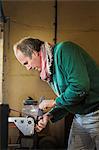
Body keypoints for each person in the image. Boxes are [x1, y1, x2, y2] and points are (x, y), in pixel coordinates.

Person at [13, 37, 99, 150]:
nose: (28, 68)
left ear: (34, 53)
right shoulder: (49, 69)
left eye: (26, 63)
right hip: (80, 116)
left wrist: (54, 102)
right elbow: (69, 99)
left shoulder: (64, 50)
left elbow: (80, 87)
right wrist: (49, 115)